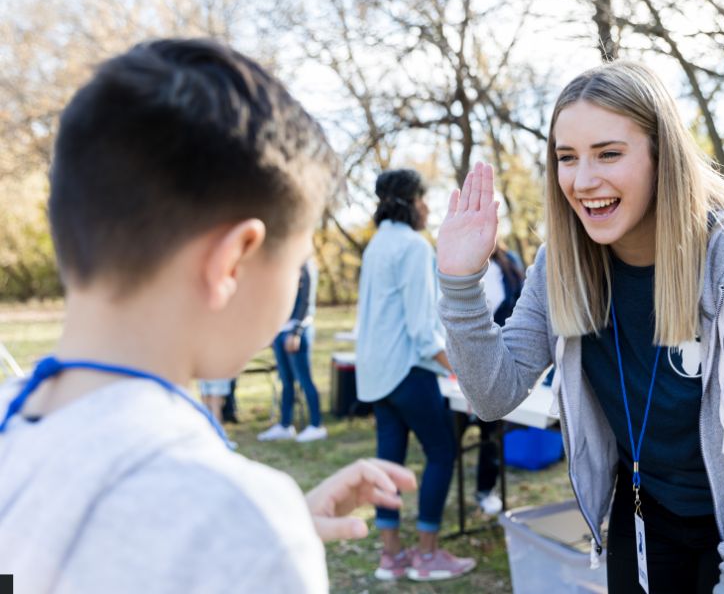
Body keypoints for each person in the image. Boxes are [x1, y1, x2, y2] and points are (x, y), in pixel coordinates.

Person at [0, 39, 417, 593]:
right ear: (233, 261)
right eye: (296, 260)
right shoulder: (235, 521)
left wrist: (266, 532)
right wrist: (259, 542)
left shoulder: (16, 423)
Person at [435, 61, 724, 594]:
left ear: (662, 156)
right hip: (644, 509)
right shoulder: (562, 265)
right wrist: (460, 283)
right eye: (566, 158)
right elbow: (491, 395)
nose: (583, 180)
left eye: (609, 153)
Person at [355, 169, 476, 581]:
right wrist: (460, 368)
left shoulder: (376, 246)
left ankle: (391, 557)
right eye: (425, 198)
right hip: (407, 371)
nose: (428, 207)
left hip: (375, 375)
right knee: (442, 452)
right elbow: (422, 329)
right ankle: (427, 555)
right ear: (411, 201)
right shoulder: (412, 247)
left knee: (388, 464)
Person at [459, 244, 525, 515]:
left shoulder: (509, 262)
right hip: (467, 363)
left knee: (492, 433)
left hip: (505, 360)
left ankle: (486, 491)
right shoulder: (460, 264)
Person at [258, 259, 327, 443]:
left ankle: (316, 425)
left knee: (304, 380)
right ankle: (285, 425)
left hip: (297, 332)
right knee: (286, 381)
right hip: (281, 331)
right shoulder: (287, 262)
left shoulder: (307, 265)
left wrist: (296, 332)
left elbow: (307, 302)